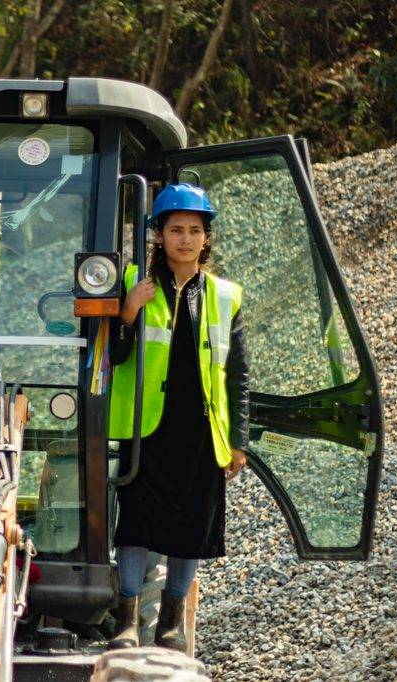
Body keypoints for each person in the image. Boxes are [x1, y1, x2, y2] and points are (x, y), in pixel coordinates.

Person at [106, 182, 250, 652]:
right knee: (135, 525)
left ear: (205, 238)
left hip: (201, 432)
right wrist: (128, 312)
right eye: (175, 230)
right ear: (159, 236)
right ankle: (126, 622)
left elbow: (238, 376)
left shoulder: (226, 296)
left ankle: (171, 624)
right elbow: (112, 357)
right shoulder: (133, 284)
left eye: (194, 230)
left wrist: (239, 441)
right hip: (147, 428)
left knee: (191, 529)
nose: (185, 239)